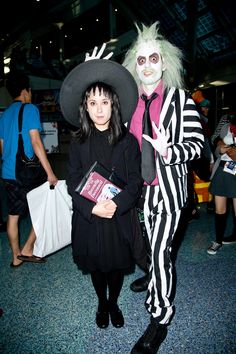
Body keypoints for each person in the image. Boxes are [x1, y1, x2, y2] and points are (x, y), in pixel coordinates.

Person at [122, 22, 204, 353]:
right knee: (141, 244)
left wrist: (172, 151)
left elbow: (198, 144)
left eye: (153, 58)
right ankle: (154, 273)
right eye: (140, 60)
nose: (147, 65)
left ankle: (160, 318)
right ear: (134, 66)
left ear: (165, 62)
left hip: (168, 190)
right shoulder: (128, 102)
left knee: (160, 251)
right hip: (137, 190)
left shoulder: (180, 99)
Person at [60, 59, 146, 329]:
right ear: (85, 106)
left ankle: (114, 302)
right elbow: (72, 180)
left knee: (117, 266)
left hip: (118, 216)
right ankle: (102, 303)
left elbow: (136, 181)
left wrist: (116, 204)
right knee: (97, 267)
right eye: (93, 102)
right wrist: (92, 208)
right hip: (90, 217)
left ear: (114, 104)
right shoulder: (77, 141)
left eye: (105, 102)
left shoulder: (128, 141)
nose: (99, 109)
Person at [0, 72, 58, 267]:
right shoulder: (30, 109)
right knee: (46, 207)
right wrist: (50, 172)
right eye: (30, 91)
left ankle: (16, 257)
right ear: (25, 91)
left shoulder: (5, 114)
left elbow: (1, 146)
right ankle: (28, 248)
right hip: (28, 173)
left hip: (8, 172)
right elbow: (35, 141)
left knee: (13, 216)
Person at [207, 111, 236, 254]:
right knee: (219, 209)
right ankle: (218, 241)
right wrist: (220, 149)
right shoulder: (226, 126)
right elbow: (216, 142)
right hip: (223, 170)